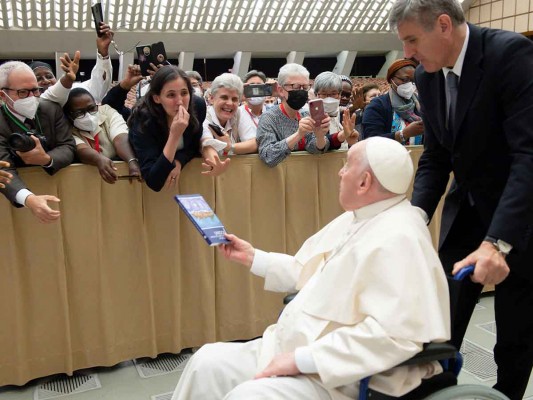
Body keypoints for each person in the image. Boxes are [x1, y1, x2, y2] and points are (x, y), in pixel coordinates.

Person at [171, 137, 450, 400]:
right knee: (206, 362)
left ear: (364, 182)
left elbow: (394, 336)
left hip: (337, 375)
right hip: (289, 345)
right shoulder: (359, 216)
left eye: (347, 166)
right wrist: (253, 257)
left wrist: (301, 360)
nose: (340, 174)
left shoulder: (400, 237)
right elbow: (306, 271)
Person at [389, 0, 533, 398]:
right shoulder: (428, 75)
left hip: (518, 217)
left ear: (443, 25)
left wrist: (497, 241)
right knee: (440, 321)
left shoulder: (509, 55)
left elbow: (528, 156)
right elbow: (436, 156)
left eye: (413, 40)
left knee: (514, 334)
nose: (407, 54)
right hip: (466, 214)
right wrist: (414, 216)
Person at [0, 61, 76, 223]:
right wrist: (29, 199)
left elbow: (68, 146)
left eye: (35, 90)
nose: (31, 97)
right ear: (2, 95)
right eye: (23, 92)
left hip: (61, 192)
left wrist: (47, 159)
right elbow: (3, 170)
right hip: (19, 205)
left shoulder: (50, 109)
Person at [128, 65, 206, 192]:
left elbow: (192, 147)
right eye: (171, 95)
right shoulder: (143, 121)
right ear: (157, 98)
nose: (180, 101)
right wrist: (175, 135)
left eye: (184, 93)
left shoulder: (198, 106)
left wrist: (178, 161)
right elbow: (154, 181)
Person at [257, 63, 330, 167]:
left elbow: (316, 149)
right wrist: (298, 135)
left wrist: (319, 136)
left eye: (305, 87)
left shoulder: (306, 114)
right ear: (281, 90)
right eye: (295, 87)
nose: (301, 91)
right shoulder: (269, 118)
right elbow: (268, 156)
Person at [64, 88, 141, 184]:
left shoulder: (106, 111)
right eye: (80, 113)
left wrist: (132, 161)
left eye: (91, 108)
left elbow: (120, 136)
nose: (88, 115)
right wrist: (99, 159)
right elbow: (81, 149)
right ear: (69, 115)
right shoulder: (65, 128)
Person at [29, 22, 114, 105]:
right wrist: (67, 79)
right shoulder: (31, 104)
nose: (46, 81)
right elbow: (52, 95)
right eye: (38, 79)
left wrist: (103, 53)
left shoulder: (72, 91)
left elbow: (98, 86)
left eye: (49, 76)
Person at [200, 73, 257, 176]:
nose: (230, 103)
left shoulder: (239, 113)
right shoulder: (204, 116)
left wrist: (230, 147)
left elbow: (254, 143)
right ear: (211, 98)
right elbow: (207, 145)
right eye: (224, 97)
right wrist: (216, 164)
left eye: (234, 99)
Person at [363, 59, 424, 145]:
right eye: (405, 80)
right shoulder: (377, 105)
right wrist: (403, 134)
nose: (409, 84)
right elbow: (371, 140)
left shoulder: (420, 104)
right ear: (391, 79)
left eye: (413, 81)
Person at [313, 71, 359, 150]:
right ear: (316, 94)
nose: (329, 98)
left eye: (333, 94)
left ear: (339, 94)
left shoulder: (344, 115)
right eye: (324, 94)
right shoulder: (309, 116)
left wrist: (352, 143)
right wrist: (342, 136)